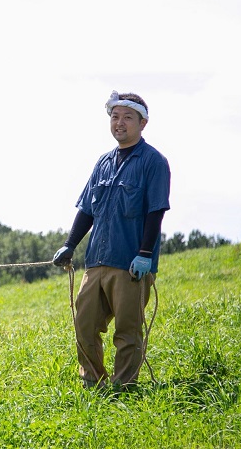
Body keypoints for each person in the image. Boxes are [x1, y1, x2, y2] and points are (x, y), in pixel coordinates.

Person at [53, 90, 171, 389]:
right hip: (96, 261)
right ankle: (93, 383)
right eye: (115, 117)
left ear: (143, 123)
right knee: (85, 326)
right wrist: (70, 244)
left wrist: (144, 253)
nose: (120, 123)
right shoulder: (102, 162)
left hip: (130, 263)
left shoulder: (154, 162)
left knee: (128, 332)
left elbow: (155, 211)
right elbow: (87, 209)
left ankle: (124, 388)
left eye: (128, 117)